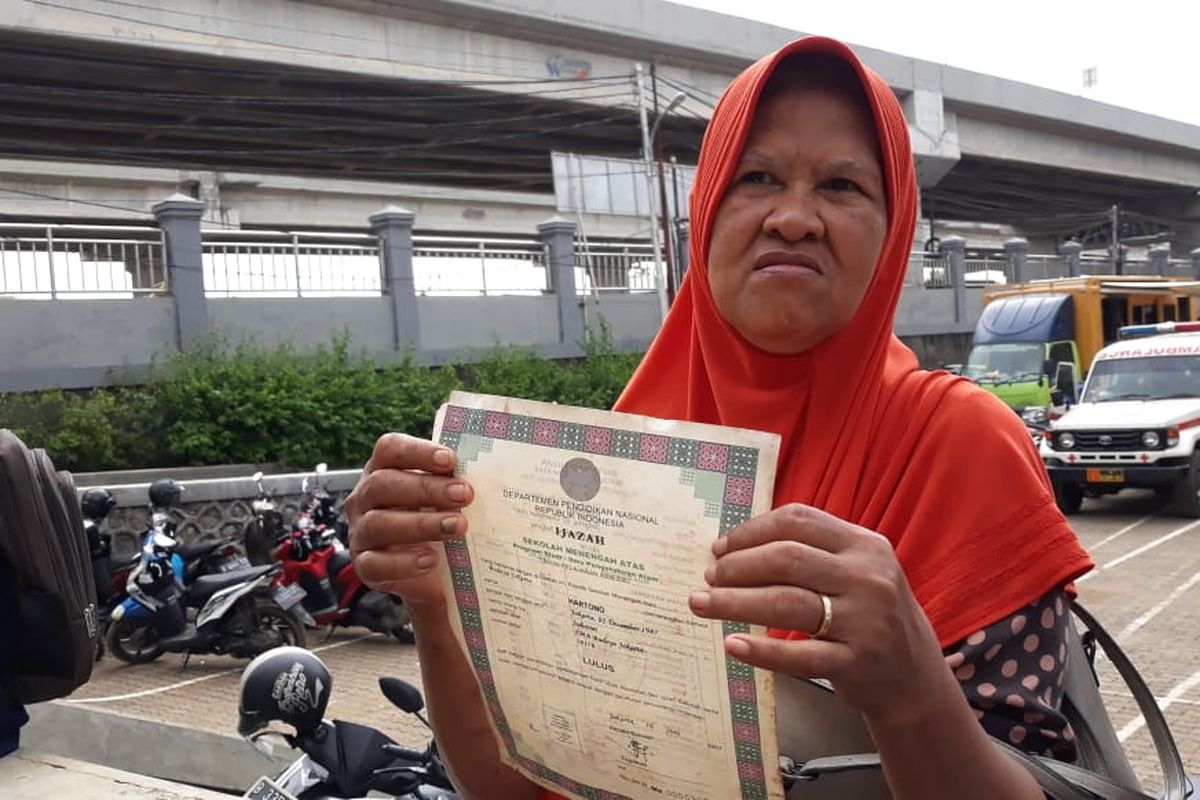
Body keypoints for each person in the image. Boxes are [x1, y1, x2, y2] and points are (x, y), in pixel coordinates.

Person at [346, 36, 1093, 800]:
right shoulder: (619, 465)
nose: (794, 218)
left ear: (894, 229)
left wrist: (908, 693)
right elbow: (511, 791)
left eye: (841, 186)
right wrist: (437, 609)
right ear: (705, 214)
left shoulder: (957, 445)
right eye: (757, 177)